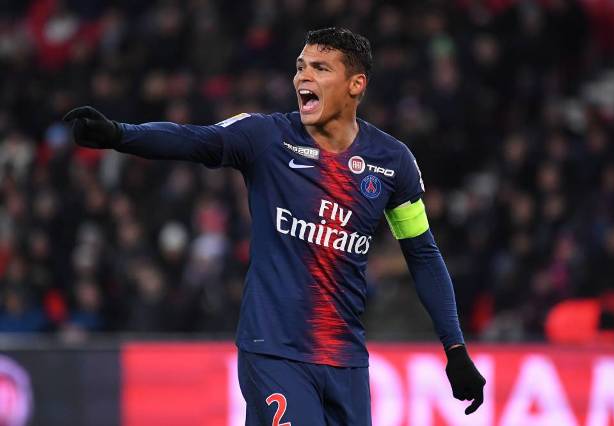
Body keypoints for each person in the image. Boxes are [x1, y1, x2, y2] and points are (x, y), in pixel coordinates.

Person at [64, 27, 485, 425]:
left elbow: (422, 253)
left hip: (345, 360)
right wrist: (119, 134)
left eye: (320, 68)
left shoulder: (392, 162)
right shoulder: (266, 137)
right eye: (300, 67)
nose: (303, 76)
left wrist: (455, 348)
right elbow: (194, 139)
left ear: (356, 84)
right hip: (274, 352)